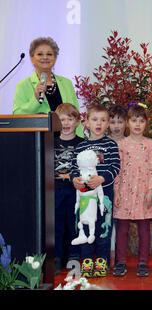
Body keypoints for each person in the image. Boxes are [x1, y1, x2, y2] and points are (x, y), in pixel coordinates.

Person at [70, 104, 121, 277]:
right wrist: (75, 180)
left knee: (103, 229)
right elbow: (73, 169)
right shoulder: (80, 147)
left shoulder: (111, 145)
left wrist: (102, 178)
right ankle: (86, 261)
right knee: (85, 226)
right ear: (86, 122)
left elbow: (115, 167)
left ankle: (102, 261)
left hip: (104, 196)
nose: (99, 123)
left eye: (103, 120)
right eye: (94, 119)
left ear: (107, 124)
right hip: (84, 196)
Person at [112, 105, 152, 277]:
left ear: (146, 123)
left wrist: (151, 190)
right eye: (134, 120)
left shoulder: (151, 144)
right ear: (128, 123)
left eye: (141, 121)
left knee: (144, 228)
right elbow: (117, 170)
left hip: (144, 192)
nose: (137, 124)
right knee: (122, 229)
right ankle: (121, 262)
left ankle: (143, 262)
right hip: (125, 191)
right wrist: (116, 192)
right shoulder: (121, 144)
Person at [13, 37, 82, 136]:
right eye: (40, 54)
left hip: (67, 143)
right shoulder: (23, 85)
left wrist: (80, 142)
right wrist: (35, 100)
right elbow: (18, 117)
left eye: (49, 54)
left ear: (55, 58)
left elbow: (76, 115)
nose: (45, 57)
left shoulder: (66, 83)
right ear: (32, 58)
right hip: (37, 142)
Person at [54, 103, 84, 272]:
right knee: (56, 224)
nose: (65, 123)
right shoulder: (51, 141)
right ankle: (56, 257)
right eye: (61, 119)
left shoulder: (82, 144)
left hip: (75, 190)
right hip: (55, 190)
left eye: (69, 119)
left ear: (77, 121)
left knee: (74, 223)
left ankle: (74, 256)